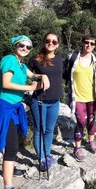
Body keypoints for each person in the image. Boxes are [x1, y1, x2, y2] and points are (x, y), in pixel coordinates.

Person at [0, 35, 50, 189]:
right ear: (15, 45)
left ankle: (8, 167)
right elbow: (6, 83)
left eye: (28, 47)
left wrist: (41, 77)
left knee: (11, 141)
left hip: (13, 108)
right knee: (12, 147)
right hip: (4, 108)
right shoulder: (9, 59)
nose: (24, 48)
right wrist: (30, 87)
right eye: (21, 45)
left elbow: (32, 75)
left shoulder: (22, 66)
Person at [65, 34, 96, 162]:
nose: (89, 45)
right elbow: (65, 73)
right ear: (82, 43)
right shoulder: (73, 57)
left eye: (92, 43)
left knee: (91, 120)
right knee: (81, 121)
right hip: (78, 97)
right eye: (87, 42)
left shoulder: (95, 59)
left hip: (92, 96)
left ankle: (91, 141)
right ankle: (77, 147)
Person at [28, 33, 63, 171]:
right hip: (39, 100)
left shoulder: (60, 59)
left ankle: (47, 154)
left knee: (49, 130)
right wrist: (40, 76)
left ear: (58, 44)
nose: (51, 43)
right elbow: (26, 75)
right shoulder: (35, 59)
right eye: (48, 41)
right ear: (43, 42)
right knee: (40, 130)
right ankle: (41, 158)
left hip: (55, 100)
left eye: (54, 41)